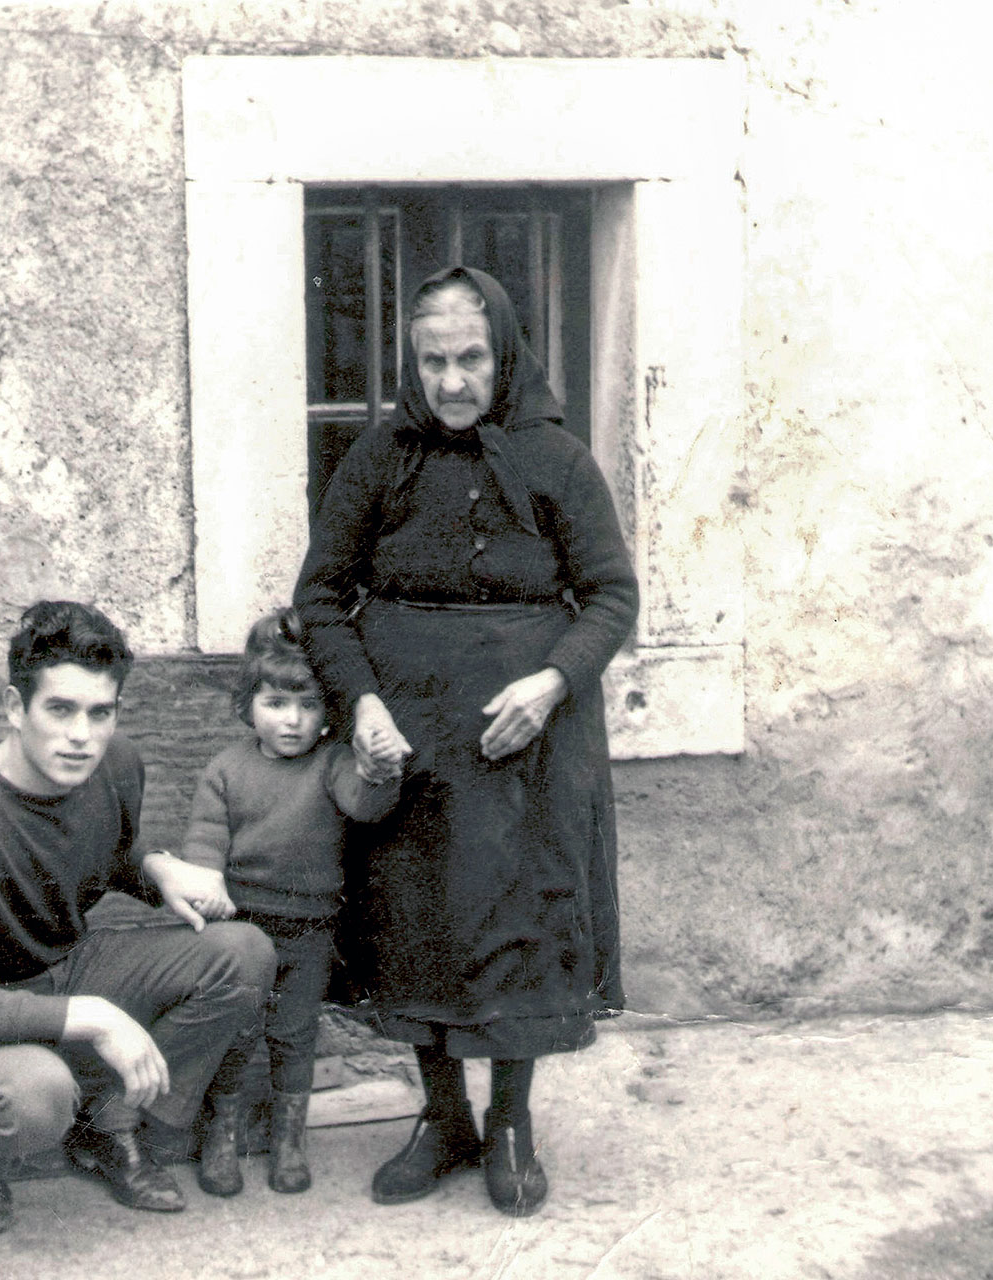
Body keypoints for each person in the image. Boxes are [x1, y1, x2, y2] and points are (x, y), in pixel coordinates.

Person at [292, 265, 639, 1217]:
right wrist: (360, 703)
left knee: (515, 924)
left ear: (505, 356)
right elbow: (318, 599)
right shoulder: (379, 457)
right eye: (434, 361)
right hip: (409, 739)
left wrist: (553, 679)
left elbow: (613, 594)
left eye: (471, 358)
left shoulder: (559, 461)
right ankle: (442, 1116)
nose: (452, 381)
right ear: (414, 362)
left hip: (524, 742)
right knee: (419, 921)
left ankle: (512, 1122)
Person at [0, 600, 274, 1233]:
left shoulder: (115, 764)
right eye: (59, 709)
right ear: (15, 708)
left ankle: (108, 1126)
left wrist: (155, 869)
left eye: (101, 712)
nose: (81, 735)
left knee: (243, 954)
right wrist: (94, 1017)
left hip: (63, 966)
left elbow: (103, 849)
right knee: (38, 1095)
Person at [178, 608, 399, 1198]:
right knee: (236, 1031)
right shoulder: (226, 770)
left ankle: (289, 1139)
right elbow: (204, 837)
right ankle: (220, 1131)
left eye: (309, 706)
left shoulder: (331, 765)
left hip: (308, 931)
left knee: (295, 1033)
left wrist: (380, 771)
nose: (293, 721)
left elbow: (364, 804)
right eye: (276, 704)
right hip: (241, 932)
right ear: (247, 704)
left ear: (330, 712)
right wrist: (206, 880)